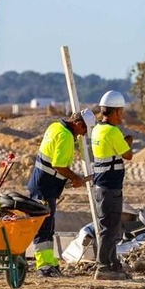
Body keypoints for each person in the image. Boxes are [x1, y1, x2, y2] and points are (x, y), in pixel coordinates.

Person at [28, 112, 88, 278]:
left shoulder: (55, 127)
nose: (83, 135)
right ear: (79, 124)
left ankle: (49, 263)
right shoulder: (66, 136)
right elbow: (59, 165)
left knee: (48, 226)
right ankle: (44, 266)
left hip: (42, 184)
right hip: (45, 188)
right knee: (44, 227)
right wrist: (74, 178)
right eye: (85, 130)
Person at [91, 90, 135, 281]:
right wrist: (128, 142)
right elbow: (128, 154)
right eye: (121, 111)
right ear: (116, 112)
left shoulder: (97, 130)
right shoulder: (112, 131)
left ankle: (112, 263)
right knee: (110, 229)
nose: (122, 115)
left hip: (101, 186)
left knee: (108, 227)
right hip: (110, 188)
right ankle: (103, 266)